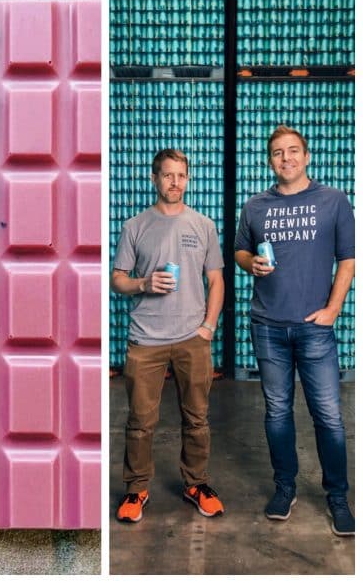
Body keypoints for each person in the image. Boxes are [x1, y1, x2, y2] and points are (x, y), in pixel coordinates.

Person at [233, 125, 354, 536]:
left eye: (292, 151)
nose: (285, 158)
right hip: (267, 326)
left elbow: (348, 260)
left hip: (314, 329)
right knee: (277, 413)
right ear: (270, 160)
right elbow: (239, 251)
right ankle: (284, 488)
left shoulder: (334, 201)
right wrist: (249, 263)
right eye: (277, 153)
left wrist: (333, 309)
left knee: (329, 417)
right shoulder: (255, 206)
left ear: (306, 156)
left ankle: (338, 496)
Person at [111, 148, 224, 523]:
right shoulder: (135, 226)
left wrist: (208, 326)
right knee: (141, 421)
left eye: (181, 175)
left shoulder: (203, 225)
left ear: (187, 179)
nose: (175, 182)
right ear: (154, 178)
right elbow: (118, 280)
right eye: (168, 175)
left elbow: (216, 280)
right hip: (146, 340)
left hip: (192, 337)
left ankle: (197, 484)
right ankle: (136, 488)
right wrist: (143, 282)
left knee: (197, 418)